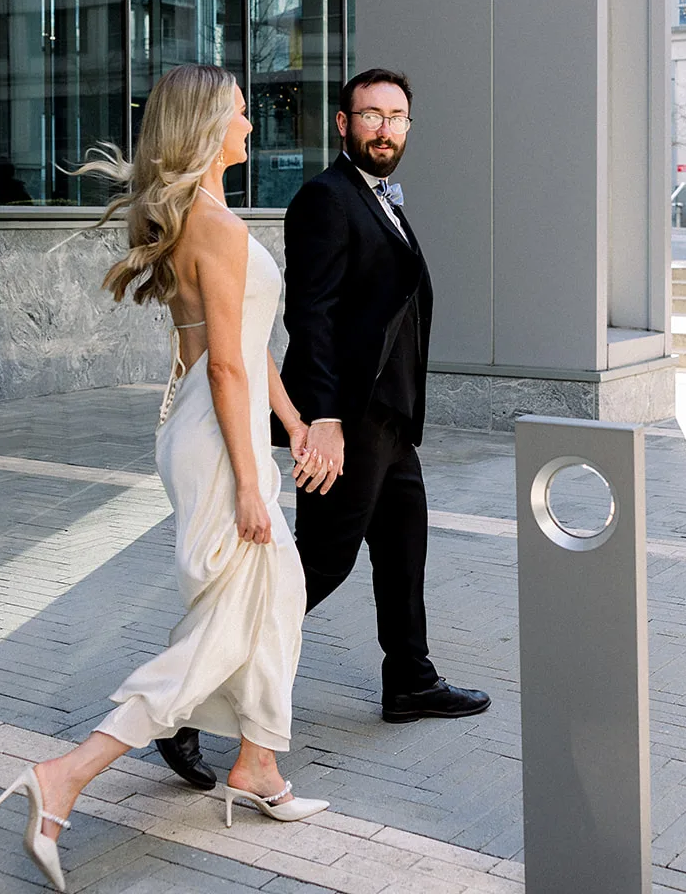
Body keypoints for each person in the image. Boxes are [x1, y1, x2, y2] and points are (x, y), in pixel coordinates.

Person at [0, 64, 330, 893]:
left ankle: (257, 762)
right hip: (218, 436)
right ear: (209, 127)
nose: (253, 128)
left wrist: (292, 424)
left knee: (277, 592)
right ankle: (67, 774)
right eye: (243, 117)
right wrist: (254, 480)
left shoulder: (205, 217)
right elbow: (224, 368)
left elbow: (249, 350)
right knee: (225, 620)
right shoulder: (210, 225)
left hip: (219, 427)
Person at [154, 67, 488, 792]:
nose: (383, 128)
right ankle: (183, 703)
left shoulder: (381, 199)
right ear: (343, 125)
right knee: (311, 570)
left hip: (390, 417)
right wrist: (323, 421)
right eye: (369, 115)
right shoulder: (325, 199)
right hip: (352, 420)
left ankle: (410, 677)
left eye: (395, 116)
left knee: (404, 547)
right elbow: (312, 316)